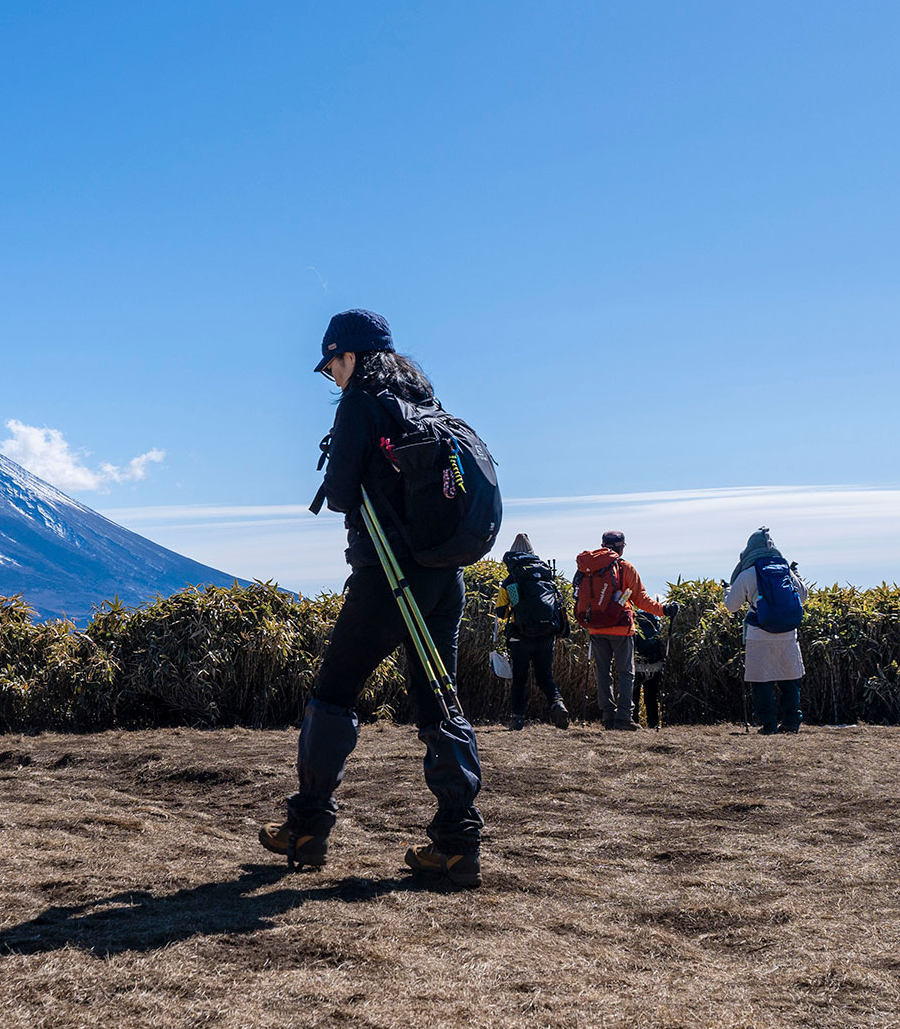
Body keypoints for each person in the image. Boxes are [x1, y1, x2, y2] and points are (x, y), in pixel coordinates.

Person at [258, 309, 486, 887]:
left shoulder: (362, 402)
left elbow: (338, 494)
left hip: (388, 576)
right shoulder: (428, 406)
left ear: (350, 356)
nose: (331, 375)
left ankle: (308, 827)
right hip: (444, 576)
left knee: (332, 694)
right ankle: (457, 843)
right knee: (439, 698)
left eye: (331, 363)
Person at [572, 531, 675, 731]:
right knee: (626, 673)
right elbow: (641, 600)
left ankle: (608, 716)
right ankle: (624, 717)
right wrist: (663, 610)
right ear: (621, 547)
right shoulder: (625, 567)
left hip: (595, 627)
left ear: (602, 545)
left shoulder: (588, 568)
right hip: (621, 627)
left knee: (602, 672)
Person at [722, 527, 809, 734]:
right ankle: (791, 722)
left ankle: (768, 724)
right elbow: (803, 596)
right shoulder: (785, 570)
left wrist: (726, 591)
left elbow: (732, 606)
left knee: (761, 680)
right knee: (790, 679)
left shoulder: (747, 573)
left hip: (759, 633)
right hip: (788, 632)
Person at [493, 533, 571, 729]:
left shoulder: (512, 579)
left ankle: (518, 718)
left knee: (520, 678)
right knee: (545, 676)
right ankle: (557, 703)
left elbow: (502, 612)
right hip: (546, 635)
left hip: (520, 636)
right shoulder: (545, 575)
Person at [632, 607, 668, 728]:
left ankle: (633, 722)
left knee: (633, 696)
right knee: (651, 697)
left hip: (637, 666)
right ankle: (653, 724)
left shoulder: (636, 623)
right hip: (655, 666)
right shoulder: (655, 624)